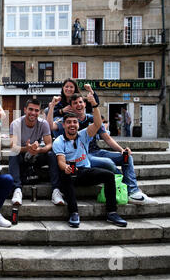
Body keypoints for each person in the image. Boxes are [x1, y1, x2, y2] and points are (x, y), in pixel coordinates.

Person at [48, 92, 158, 205]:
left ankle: (133, 192)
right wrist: (52, 106)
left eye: (81, 102)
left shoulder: (92, 118)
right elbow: (50, 126)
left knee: (126, 157)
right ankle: (121, 186)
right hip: (85, 156)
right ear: (71, 106)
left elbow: (107, 138)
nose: (78, 105)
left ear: (85, 104)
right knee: (108, 163)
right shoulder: (67, 121)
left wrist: (121, 150)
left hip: (97, 151)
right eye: (75, 103)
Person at [52, 96, 128, 228]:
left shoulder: (83, 135)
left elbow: (97, 124)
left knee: (109, 175)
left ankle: (112, 212)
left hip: (85, 170)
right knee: (65, 176)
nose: (72, 125)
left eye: (74, 122)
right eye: (69, 122)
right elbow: (60, 161)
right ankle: (74, 213)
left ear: (78, 124)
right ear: (63, 125)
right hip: (71, 172)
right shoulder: (59, 141)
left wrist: (94, 105)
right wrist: (66, 167)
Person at [9, 98, 64, 206]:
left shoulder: (43, 124)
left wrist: (39, 150)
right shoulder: (16, 124)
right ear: (25, 110)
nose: (33, 113)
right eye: (30, 109)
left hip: (37, 154)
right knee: (13, 154)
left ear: (40, 112)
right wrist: (27, 148)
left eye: (36, 110)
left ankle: (56, 190)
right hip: (22, 155)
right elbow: (13, 146)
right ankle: (17, 189)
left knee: (51, 154)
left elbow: (49, 144)